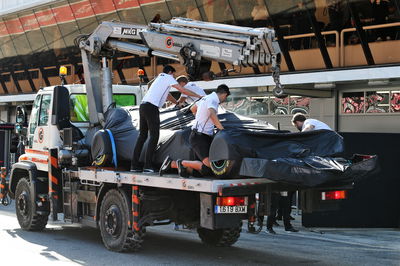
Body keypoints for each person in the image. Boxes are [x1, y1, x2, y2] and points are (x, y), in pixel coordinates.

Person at [131, 65, 202, 173]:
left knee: (142, 136)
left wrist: (177, 103)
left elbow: (167, 95)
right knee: (154, 136)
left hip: (143, 106)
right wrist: (200, 97)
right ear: (170, 72)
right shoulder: (168, 77)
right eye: (173, 74)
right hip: (152, 108)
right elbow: (182, 90)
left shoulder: (159, 78)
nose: (174, 77)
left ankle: (134, 166)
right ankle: (147, 166)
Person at [159, 84, 230, 177]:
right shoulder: (213, 100)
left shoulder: (205, 98)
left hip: (200, 135)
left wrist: (200, 118)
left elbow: (193, 108)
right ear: (224, 94)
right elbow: (212, 114)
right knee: (209, 167)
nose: (224, 100)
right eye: (225, 98)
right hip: (200, 136)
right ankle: (177, 163)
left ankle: (174, 164)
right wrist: (222, 129)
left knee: (202, 172)